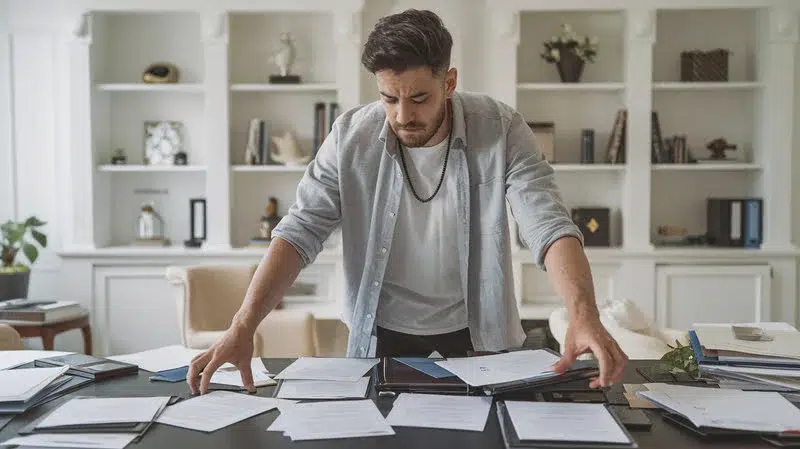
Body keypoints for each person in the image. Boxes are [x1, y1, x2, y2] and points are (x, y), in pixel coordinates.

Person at [187, 9, 627, 395]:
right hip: (380, 331)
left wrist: (582, 314)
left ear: (449, 81)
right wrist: (242, 325)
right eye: (388, 98)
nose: (402, 115)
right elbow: (300, 231)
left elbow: (547, 224)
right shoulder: (349, 137)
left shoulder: (500, 127)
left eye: (419, 98)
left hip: (477, 331)